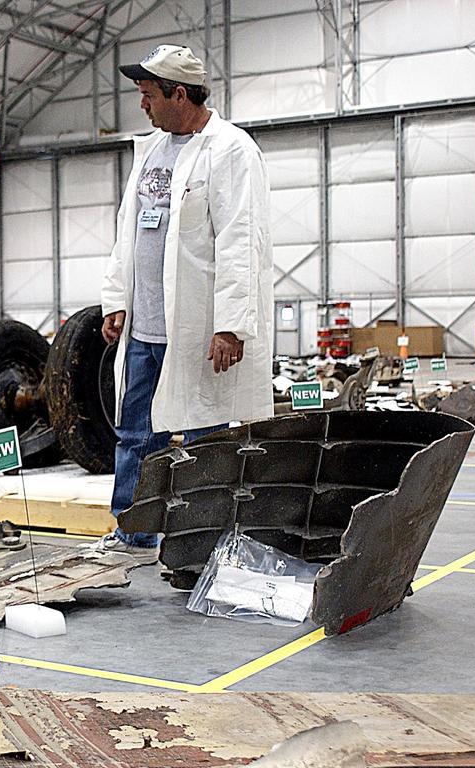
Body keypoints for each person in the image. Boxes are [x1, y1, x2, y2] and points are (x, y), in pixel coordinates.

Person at [95, 44, 275, 552]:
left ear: (179, 94)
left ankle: (202, 540)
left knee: (203, 441)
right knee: (136, 437)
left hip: (196, 331)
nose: (142, 105)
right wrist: (117, 299)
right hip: (145, 329)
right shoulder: (151, 150)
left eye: (149, 95)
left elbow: (243, 240)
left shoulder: (231, 150)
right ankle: (132, 531)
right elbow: (127, 233)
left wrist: (231, 324)